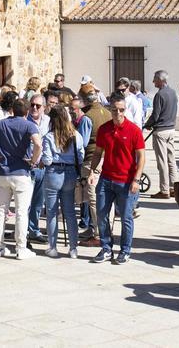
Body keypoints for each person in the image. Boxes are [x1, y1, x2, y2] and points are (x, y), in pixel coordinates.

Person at [0, 98, 41, 259]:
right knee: (21, 212)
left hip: (3, 172)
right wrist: (34, 161)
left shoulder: (0, 124)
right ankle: (21, 248)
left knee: (1, 210)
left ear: (12, 110)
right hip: (21, 173)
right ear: (27, 112)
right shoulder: (29, 125)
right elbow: (38, 144)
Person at [87, 98, 146, 264]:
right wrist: (92, 171)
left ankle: (125, 250)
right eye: (114, 110)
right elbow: (98, 152)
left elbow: (141, 157)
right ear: (110, 110)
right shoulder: (104, 129)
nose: (118, 113)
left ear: (125, 110)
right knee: (101, 214)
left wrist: (136, 179)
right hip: (106, 179)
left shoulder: (133, 130)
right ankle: (106, 248)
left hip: (126, 181)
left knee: (126, 218)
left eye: (121, 110)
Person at [40, 105, 84, 258]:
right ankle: (73, 248)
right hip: (70, 172)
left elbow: (46, 160)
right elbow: (81, 154)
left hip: (53, 172)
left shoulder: (49, 137)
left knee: (52, 212)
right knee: (70, 212)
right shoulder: (75, 135)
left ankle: (53, 247)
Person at [79, 87, 111, 245]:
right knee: (102, 197)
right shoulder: (108, 113)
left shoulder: (87, 117)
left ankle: (98, 235)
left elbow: (83, 143)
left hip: (92, 159)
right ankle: (97, 229)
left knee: (93, 199)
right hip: (107, 158)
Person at [144, 70, 179, 199]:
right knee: (171, 160)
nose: (153, 81)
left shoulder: (160, 95)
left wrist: (147, 124)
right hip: (171, 129)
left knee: (162, 162)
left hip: (161, 131)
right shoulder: (173, 92)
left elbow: (156, 114)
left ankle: (164, 190)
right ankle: (173, 188)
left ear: (161, 80)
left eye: (155, 79)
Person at [25, 94, 52, 245]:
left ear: (44, 108)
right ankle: (23, 232)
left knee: (38, 202)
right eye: (32, 105)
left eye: (38, 106)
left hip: (43, 167)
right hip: (28, 166)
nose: (34, 108)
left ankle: (34, 229)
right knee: (25, 202)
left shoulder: (48, 122)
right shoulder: (24, 120)